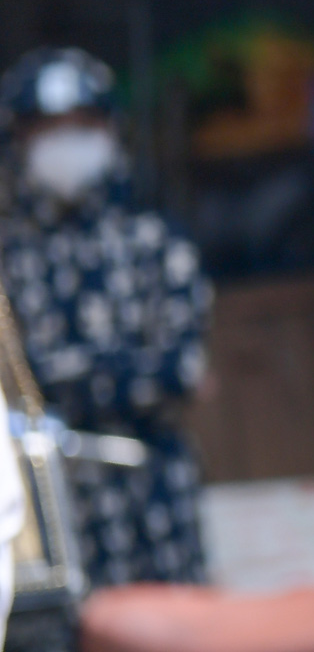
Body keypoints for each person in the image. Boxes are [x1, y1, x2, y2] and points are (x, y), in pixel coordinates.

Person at [0, 50, 209, 589]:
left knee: (174, 646)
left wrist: (53, 376)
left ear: (112, 131)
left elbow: (180, 372)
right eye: (47, 129)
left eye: (82, 127)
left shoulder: (156, 244)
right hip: (42, 505)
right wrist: (123, 370)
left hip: (156, 491)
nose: (65, 144)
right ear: (18, 139)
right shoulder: (9, 259)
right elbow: (13, 389)